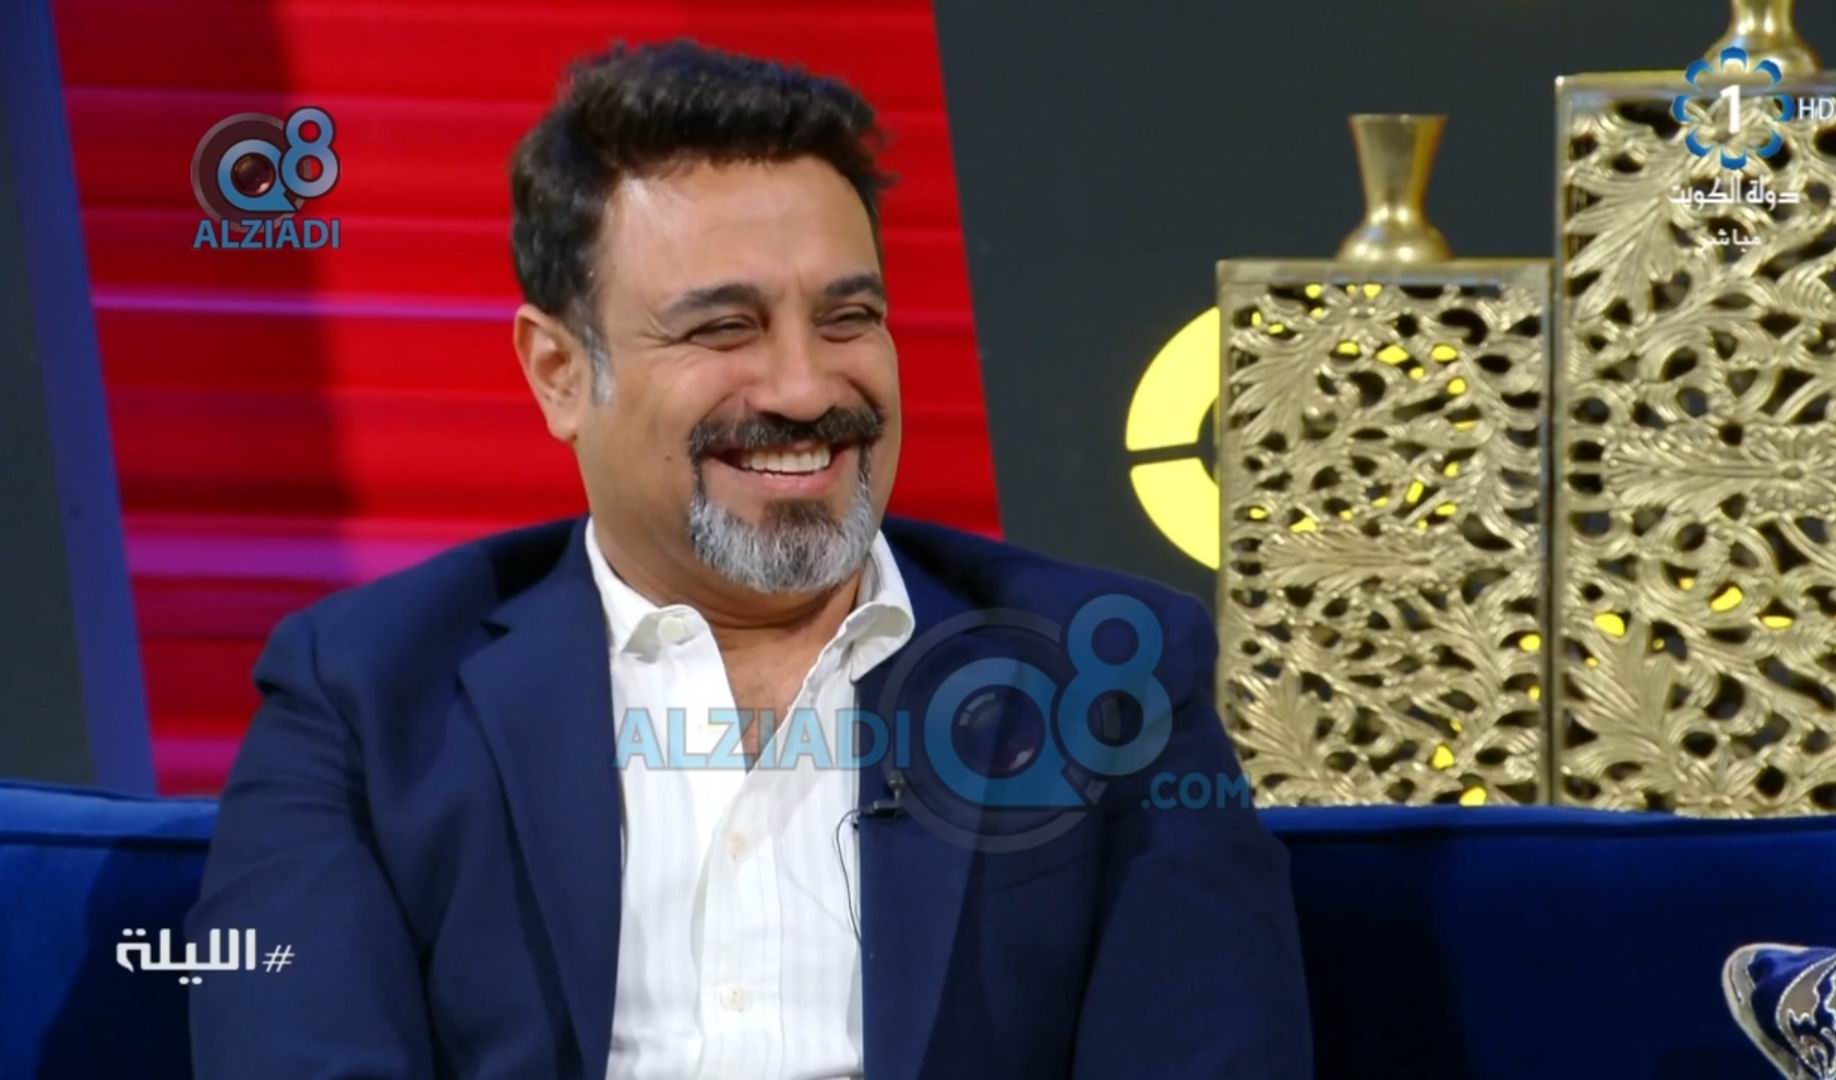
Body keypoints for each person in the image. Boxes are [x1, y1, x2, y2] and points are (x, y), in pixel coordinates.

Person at [187, 38, 1310, 1080]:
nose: (805, 389)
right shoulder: (365, 693)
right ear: (559, 373)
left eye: (847, 318)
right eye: (723, 329)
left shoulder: (1106, 678)